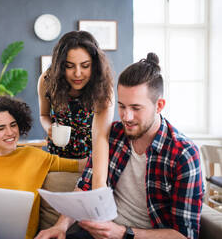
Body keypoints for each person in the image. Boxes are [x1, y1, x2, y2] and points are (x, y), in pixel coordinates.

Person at [36, 53, 203, 239]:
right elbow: (85, 186)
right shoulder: (113, 134)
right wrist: (61, 226)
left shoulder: (183, 154)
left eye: (136, 108)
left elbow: (184, 235)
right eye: (122, 106)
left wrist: (123, 233)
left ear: (159, 106)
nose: (126, 117)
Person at [0, 95, 87, 239]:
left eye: (13, 125)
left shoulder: (35, 156)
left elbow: (82, 165)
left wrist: (102, 140)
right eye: (1, 128)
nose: (10, 132)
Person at [38, 30, 114, 189]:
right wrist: (49, 128)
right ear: (60, 66)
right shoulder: (47, 81)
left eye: (85, 66)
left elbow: (101, 137)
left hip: (90, 162)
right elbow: (43, 115)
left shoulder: (103, 89)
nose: (77, 73)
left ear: (95, 65)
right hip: (59, 160)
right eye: (69, 66)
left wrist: (97, 182)